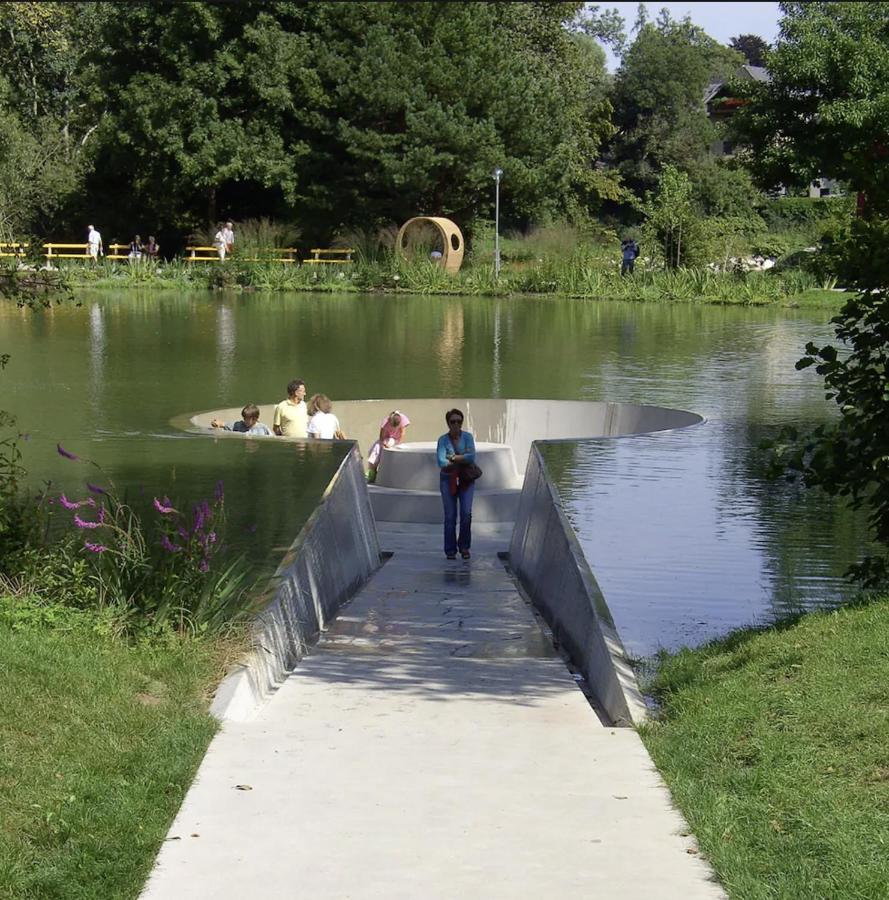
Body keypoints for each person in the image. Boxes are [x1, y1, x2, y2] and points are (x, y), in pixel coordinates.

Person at [436, 408, 476, 560]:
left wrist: (452, 458)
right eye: (453, 421)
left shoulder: (468, 437)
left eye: (459, 421)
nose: (456, 424)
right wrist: (462, 457)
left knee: (466, 514)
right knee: (450, 516)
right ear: (448, 423)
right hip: (448, 479)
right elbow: (441, 462)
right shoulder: (442, 440)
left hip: (466, 479)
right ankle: (450, 550)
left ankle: (464, 547)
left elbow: (472, 457)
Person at [366, 409, 410, 483]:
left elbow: (402, 433)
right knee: (375, 448)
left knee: (389, 442)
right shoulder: (385, 422)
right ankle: (372, 470)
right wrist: (383, 443)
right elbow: (381, 436)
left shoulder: (402, 420)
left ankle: (373, 472)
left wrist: (398, 443)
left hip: (394, 439)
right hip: (385, 439)